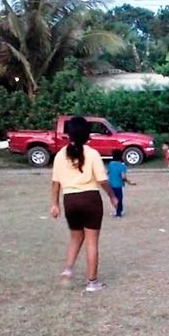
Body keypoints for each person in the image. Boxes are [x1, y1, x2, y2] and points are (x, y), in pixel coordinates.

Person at [50, 116, 118, 292]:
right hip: (90, 200)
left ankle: (68, 269)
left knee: (75, 237)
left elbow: (55, 183)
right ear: (87, 134)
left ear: (69, 134)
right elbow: (103, 180)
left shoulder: (59, 155)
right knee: (91, 242)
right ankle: (92, 282)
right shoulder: (93, 154)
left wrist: (55, 204)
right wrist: (112, 196)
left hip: (70, 200)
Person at [108, 150, 135, 218]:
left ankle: (117, 210)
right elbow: (123, 177)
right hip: (118, 185)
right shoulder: (122, 166)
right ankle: (118, 213)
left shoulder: (110, 164)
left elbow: (108, 173)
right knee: (119, 198)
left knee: (113, 198)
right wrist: (129, 182)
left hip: (110, 184)